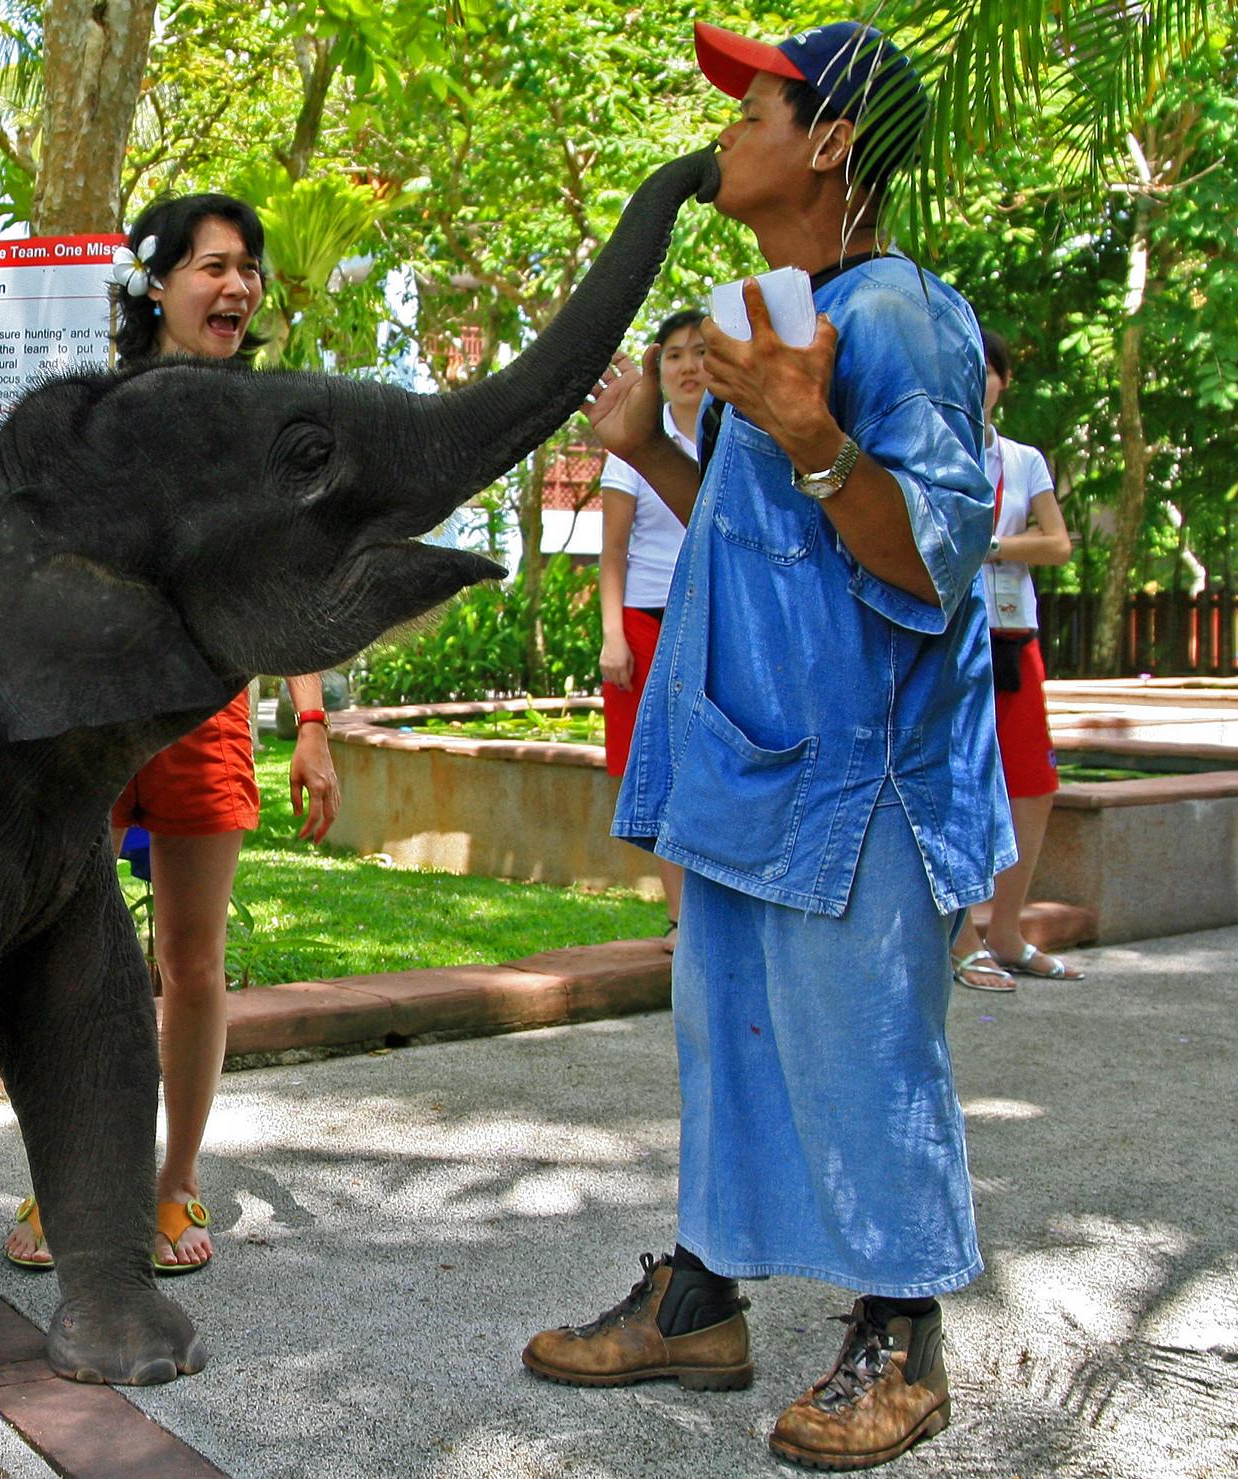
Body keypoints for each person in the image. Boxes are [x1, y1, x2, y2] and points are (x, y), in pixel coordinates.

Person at [522, 21, 1012, 1472]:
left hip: (855, 785)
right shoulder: (782, 304)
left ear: (832, 142)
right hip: (759, 766)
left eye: (756, 108)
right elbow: (780, 533)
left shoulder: (901, 321)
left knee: (865, 1054)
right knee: (728, 1043)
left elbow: (927, 557)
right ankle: (698, 1297)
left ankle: (901, 1336)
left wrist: (807, 434)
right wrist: (655, 455)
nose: (726, 130)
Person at [5, 194, 342, 1276]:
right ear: (156, 284)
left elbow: (293, 581)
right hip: (86, 722)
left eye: (248, 268)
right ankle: (65, 1179)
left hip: (206, 718)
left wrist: (316, 722)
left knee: (190, 961)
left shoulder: (271, 426)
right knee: (56, 953)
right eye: (213, 266)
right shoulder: (93, 412)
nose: (237, 287)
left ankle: (173, 1185)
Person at [950, 330, 1085, 991]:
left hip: (1013, 631)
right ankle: (962, 938)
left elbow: (1057, 543)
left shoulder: (1024, 459)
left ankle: (1007, 930)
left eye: (989, 371)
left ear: (1004, 380)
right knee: (955, 784)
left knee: (1032, 785)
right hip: (952, 635)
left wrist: (995, 546)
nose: (978, 382)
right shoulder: (933, 449)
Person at [598, 309, 703, 950]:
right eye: (674, 356)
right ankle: (679, 913)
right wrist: (614, 636)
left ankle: (719, 912)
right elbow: (612, 555)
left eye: (700, 352)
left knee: (710, 764)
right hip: (645, 619)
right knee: (658, 768)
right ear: (657, 369)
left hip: (716, 620)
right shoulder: (636, 444)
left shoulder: (735, 439)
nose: (689, 366)